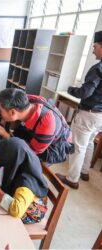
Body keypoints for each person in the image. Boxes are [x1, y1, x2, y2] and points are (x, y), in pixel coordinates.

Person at [56, 31, 102, 189]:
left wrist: (71, 90)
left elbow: (85, 92)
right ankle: (84, 171)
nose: (93, 50)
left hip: (89, 114)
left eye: (95, 46)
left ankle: (72, 179)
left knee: (78, 146)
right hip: (100, 116)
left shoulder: (98, 69)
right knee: (89, 143)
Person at [0, 88, 73, 165]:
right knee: (17, 134)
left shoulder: (46, 126)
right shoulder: (27, 99)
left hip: (54, 146)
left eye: (1, 110)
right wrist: (4, 120)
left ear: (13, 112)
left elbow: (29, 151)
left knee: (28, 165)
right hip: (41, 132)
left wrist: (5, 135)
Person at [0, 137, 48, 224]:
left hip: (27, 209)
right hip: (17, 196)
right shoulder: (18, 155)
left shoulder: (26, 183)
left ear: (12, 159)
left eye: (1, 158)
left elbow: (16, 211)